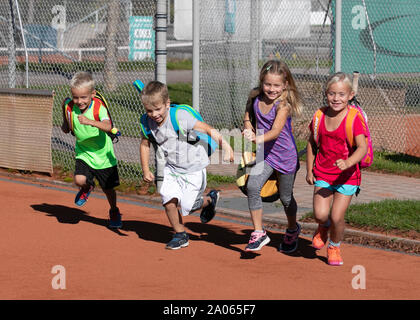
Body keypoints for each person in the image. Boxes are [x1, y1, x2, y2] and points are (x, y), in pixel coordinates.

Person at [139, 81, 234, 250]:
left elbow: (207, 129)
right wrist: (145, 169)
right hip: (172, 168)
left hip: (194, 169)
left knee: (187, 207)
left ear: (167, 104)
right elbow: (145, 144)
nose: (154, 114)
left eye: (158, 109)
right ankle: (180, 234)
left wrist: (226, 146)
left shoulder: (179, 116)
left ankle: (210, 200)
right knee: (168, 200)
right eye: (149, 110)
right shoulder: (147, 122)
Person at [306, 72, 367, 266]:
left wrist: (349, 162)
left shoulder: (354, 118)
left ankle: (334, 246)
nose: (336, 98)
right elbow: (311, 143)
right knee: (320, 214)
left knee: (337, 216)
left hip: (348, 176)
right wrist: (309, 170)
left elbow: (362, 147)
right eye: (332, 94)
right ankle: (323, 227)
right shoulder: (319, 116)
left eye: (341, 94)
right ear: (326, 94)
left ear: (350, 95)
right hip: (323, 173)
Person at [242, 60, 303, 253]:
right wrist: (247, 126)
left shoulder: (283, 105)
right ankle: (258, 233)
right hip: (266, 155)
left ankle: (293, 229)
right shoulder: (255, 98)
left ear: (285, 85)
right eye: (268, 84)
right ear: (262, 82)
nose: (271, 89)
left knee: (285, 199)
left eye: (277, 85)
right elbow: (247, 114)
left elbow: (276, 131)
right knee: (252, 186)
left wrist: (256, 138)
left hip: (285, 158)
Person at [61, 71, 122, 228]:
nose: (79, 101)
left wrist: (90, 121)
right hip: (84, 152)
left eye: (83, 97)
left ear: (92, 94)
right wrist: (66, 124)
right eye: (76, 97)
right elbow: (66, 119)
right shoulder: (69, 106)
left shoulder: (98, 108)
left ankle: (114, 210)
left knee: (108, 189)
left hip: (103, 155)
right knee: (79, 179)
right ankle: (87, 187)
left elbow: (108, 126)